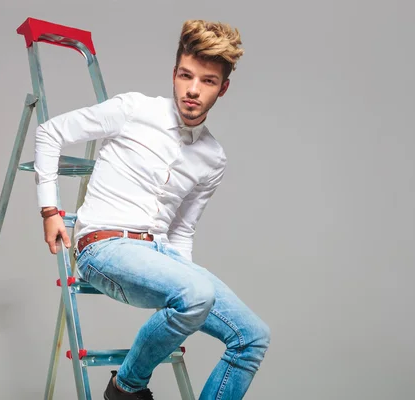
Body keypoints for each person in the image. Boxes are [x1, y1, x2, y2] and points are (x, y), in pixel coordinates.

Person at [33, 19, 270, 400]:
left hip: (159, 253)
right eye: (185, 76)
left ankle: (187, 299)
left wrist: (180, 286)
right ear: (174, 73)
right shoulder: (133, 109)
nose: (192, 90)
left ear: (222, 88)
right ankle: (126, 388)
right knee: (196, 292)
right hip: (103, 248)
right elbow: (50, 132)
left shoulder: (213, 157)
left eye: (207, 81)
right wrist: (50, 210)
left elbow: (182, 232)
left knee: (252, 337)